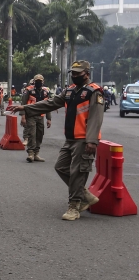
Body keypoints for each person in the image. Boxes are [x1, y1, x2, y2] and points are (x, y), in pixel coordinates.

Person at [9, 60, 104, 221]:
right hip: (70, 139)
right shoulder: (70, 91)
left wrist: (92, 140)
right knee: (60, 167)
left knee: (77, 172)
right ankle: (85, 196)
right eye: (72, 73)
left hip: (84, 139)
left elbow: (96, 117)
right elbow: (50, 103)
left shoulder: (94, 92)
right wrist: (25, 108)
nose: (74, 76)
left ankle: (74, 206)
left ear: (87, 73)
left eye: (78, 73)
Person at [19, 74, 52, 162]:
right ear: (34, 81)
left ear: (43, 82)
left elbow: (48, 105)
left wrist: (49, 119)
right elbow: (23, 103)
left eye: (40, 81)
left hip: (41, 116)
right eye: (36, 81)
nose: (38, 82)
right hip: (31, 115)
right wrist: (23, 116)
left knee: (40, 134)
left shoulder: (45, 92)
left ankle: (36, 153)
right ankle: (30, 153)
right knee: (32, 134)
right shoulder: (28, 90)